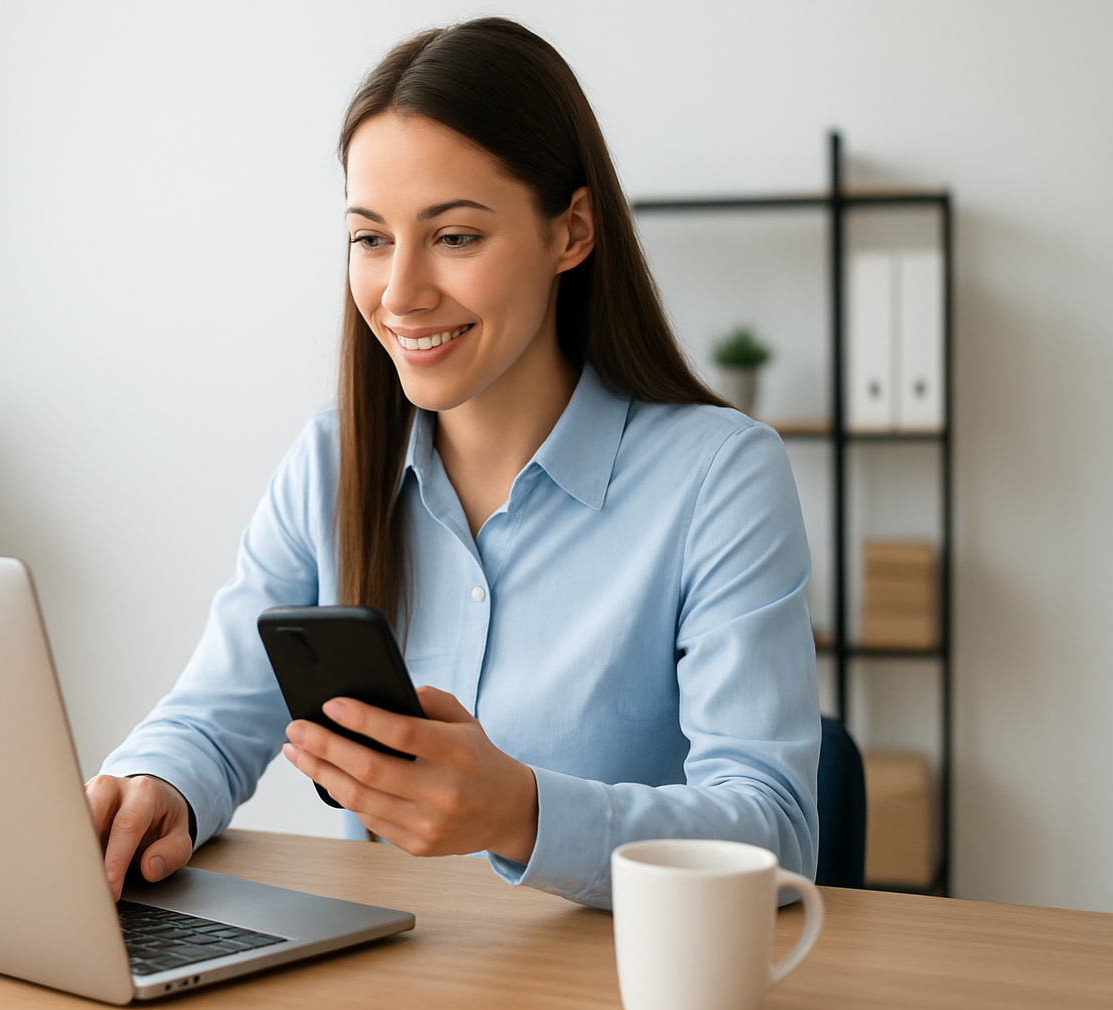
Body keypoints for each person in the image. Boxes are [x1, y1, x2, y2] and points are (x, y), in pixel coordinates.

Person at [86, 17, 819, 910]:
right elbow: (211, 717)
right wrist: (154, 787)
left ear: (571, 232)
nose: (400, 294)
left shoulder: (720, 479)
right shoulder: (330, 462)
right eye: (371, 238)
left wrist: (523, 814)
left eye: (456, 236)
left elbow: (776, 833)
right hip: (390, 972)